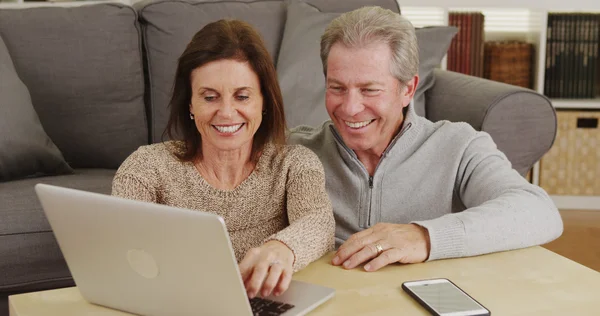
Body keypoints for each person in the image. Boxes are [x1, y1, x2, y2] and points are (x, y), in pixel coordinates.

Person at [289, 6, 563, 272]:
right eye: (337, 88)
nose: (349, 108)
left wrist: (425, 237)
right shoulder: (296, 151)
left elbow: (538, 212)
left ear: (408, 89)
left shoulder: (458, 145)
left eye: (369, 90)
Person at [112, 19, 335, 298]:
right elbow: (123, 251)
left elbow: (319, 222)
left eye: (242, 97)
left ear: (264, 102)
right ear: (190, 104)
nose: (227, 113)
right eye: (210, 97)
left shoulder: (294, 164)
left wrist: (281, 248)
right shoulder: (145, 168)